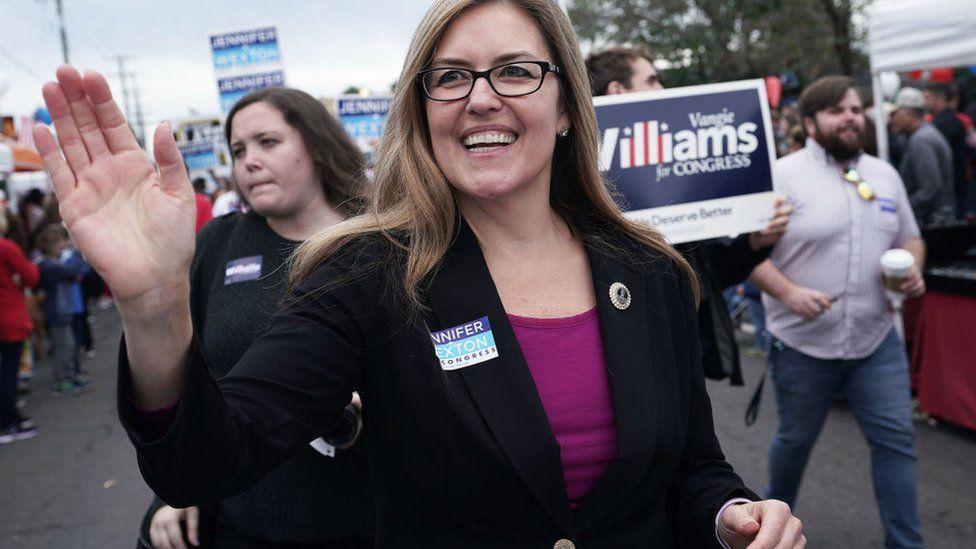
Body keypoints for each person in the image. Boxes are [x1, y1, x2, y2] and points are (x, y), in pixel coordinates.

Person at [35, 1, 805, 547]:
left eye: (514, 71)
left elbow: (693, 465)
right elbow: (213, 456)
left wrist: (730, 515)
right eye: (451, 77)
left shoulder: (649, 270)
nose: (480, 99)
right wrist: (155, 301)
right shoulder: (366, 275)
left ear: (568, 105)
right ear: (422, 108)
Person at [138, 87, 374, 549]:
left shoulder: (380, 239)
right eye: (239, 149)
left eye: (268, 142)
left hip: (370, 522)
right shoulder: (217, 244)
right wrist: (173, 491)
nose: (249, 160)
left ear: (317, 143)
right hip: (241, 523)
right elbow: (186, 377)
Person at [749, 75, 925, 549]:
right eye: (836, 110)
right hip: (803, 344)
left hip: (876, 340)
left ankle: (906, 544)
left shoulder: (884, 173)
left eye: (854, 109)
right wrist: (788, 292)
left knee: (896, 445)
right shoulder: (781, 175)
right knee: (794, 444)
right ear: (809, 122)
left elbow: (910, 237)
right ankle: (767, 537)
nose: (850, 117)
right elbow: (748, 255)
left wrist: (912, 269)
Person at [585, 44, 793, 385]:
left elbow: (707, 274)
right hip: (619, 363)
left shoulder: (677, 184)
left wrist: (754, 243)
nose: (662, 90)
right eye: (651, 80)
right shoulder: (580, 182)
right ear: (617, 90)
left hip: (683, 362)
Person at [34, 224, 90, 398]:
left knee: (69, 345)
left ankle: (69, 375)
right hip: (57, 312)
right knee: (62, 348)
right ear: (51, 245)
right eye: (60, 242)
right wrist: (82, 257)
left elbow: (74, 273)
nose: (64, 245)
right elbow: (73, 271)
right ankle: (61, 381)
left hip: (62, 311)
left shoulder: (52, 264)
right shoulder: (47, 266)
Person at [0, 210, 40, 443]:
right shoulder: (6, 247)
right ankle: (7, 422)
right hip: (7, 316)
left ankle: (11, 416)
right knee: (8, 372)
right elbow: (31, 276)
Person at [889, 87, 955, 227]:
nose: (892, 119)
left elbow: (930, 188)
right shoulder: (924, 135)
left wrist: (903, 208)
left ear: (909, 114)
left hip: (933, 222)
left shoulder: (921, 140)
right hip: (936, 218)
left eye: (895, 113)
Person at [924, 81, 969, 218]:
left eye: (928, 98)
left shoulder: (942, 124)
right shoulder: (951, 121)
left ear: (941, 99)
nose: (924, 102)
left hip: (951, 190)